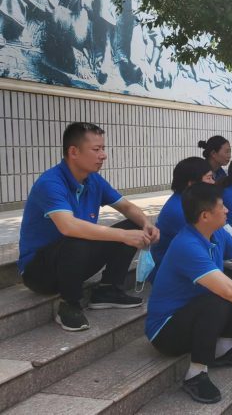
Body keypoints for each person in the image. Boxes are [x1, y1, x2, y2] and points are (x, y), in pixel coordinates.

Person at [146, 183, 232, 404]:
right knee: (218, 296)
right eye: (222, 206)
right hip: (167, 332)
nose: (227, 210)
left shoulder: (217, 233)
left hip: (196, 316)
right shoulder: (187, 244)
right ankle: (196, 374)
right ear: (205, 215)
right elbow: (227, 290)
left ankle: (222, 350)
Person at [18, 122, 159, 332]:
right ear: (74, 152)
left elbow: (127, 207)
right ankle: (69, 304)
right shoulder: (50, 183)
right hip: (39, 272)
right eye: (96, 149)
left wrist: (146, 224)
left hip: (74, 261)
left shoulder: (93, 180)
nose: (103, 155)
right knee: (79, 235)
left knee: (133, 225)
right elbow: (68, 226)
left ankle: (107, 290)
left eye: (103, 148)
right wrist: (122, 235)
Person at [149, 157, 232, 348]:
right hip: (172, 320)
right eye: (209, 178)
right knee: (222, 295)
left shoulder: (215, 228)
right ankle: (204, 363)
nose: (214, 182)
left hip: (197, 285)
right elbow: (225, 283)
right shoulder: (184, 229)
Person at [149, 157, 232, 282]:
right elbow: (214, 253)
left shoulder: (197, 203)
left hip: (196, 265)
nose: (213, 182)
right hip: (178, 276)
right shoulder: (180, 210)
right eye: (209, 178)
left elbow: (227, 235)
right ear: (192, 184)